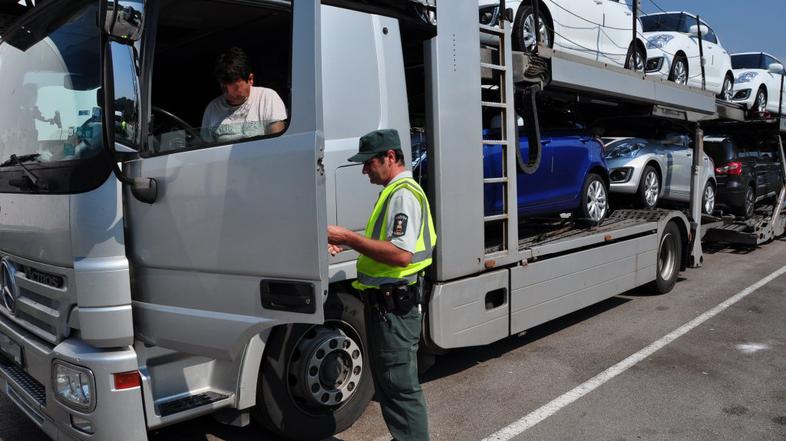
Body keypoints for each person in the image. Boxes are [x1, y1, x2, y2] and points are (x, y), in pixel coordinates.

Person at [327, 129, 436, 441]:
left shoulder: (402, 194)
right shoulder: (393, 191)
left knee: (400, 389)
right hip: (388, 307)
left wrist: (347, 238)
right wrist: (351, 245)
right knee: (391, 387)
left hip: (395, 310)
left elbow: (401, 255)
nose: (364, 170)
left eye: (368, 162)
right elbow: (386, 244)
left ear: (390, 157)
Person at [201, 47, 287, 143]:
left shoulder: (268, 98)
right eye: (224, 88)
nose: (230, 95)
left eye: (236, 89)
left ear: (250, 79)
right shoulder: (212, 109)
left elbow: (278, 144)